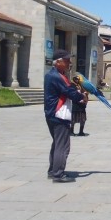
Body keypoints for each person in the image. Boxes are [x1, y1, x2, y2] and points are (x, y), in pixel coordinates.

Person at [44, 49, 87, 183]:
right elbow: (70, 92)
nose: (70, 63)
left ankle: (52, 171)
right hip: (59, 114)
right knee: (63, 146)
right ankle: (58, 174)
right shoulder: (58, 76)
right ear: (58, 62)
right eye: (67, 60)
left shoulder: (52, 75)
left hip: (51, 114)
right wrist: (82, 97)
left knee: (57, 143)